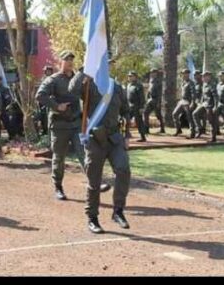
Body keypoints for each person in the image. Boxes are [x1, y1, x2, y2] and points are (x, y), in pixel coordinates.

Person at [35, 50, 110, 200]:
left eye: (71, 60)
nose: (69, 62)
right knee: (59, 157)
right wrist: (57, 106)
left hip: (76, 123)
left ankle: (95, 183)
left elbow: (88, 96)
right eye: (66, 59)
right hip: (59, 125)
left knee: (84, 154)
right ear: (60, 62)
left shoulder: (79, 79)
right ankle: (58, 187)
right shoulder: (53, 80)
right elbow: (40, 95)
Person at [68, 70, 132, 234]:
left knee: (123, 169)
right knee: (94, 180)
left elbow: (126, 110)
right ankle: (92, 218)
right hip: (95, 139)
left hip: (114, 138)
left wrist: (126, 135)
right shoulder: (88, 84)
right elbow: (72, 91)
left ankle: (118, 211)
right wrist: (84, 71)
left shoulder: (115, 86)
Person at [192, 71, 218, 142]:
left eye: (205, 76)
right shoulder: (204, 84)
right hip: (204, 104)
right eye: (203, 77)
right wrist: (200, 102)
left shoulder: (212, 85)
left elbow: (215, 97)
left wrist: (215, 106)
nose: (204, 78)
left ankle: (213, 137)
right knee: (195, 114)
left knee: (211, 121)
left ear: (209, 77)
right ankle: (200, 129)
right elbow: (203, 95)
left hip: (210, 105)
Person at [172, 69, 196, 138]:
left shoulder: (191, 83)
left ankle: (192, 132)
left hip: (188, 102)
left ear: (188, 74)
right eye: (183, 74)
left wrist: (192, 102)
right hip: (182, 101)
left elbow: (193, 94)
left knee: (189, 117)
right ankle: (178, 129)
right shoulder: (183, 82)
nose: (184, 75)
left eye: (186, 73)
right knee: (174, 114)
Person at [126, 71, 147, 142]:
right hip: (129, 106)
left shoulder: (139, 85)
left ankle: (143, 137)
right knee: (126, 120)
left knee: (139, 122)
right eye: (129, 76)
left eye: (131, 76)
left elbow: (142, 97)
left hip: (137, 106)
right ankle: (127, 134)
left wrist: (141, 107)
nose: (129, 77)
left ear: (135, 77)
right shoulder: (128, 85)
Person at [143, 68, 165, 134]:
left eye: (154, 73)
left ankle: (162, 128)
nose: (152, 74)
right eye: (151, 73)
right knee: (145, 112)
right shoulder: (151, 80)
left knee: (158, 115)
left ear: (156, 73)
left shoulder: (158, 81)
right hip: (150, 99)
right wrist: (147, 99)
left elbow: (159, 93)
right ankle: (146, 129)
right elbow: (149, 91)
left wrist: (158, 102)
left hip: (156, 100)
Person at [37, 65, 54, 136]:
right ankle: (44, 131)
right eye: (46, 71)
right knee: (43, 116)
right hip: (43, 102)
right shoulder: (43, 79)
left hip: (51, 101)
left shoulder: (54, 79)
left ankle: (49, 131)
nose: (47, 72)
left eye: (48, 71)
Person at [192, 71, 206, 135]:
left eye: (196, 75)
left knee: (202, 116)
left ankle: (202, 129)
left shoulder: (202, 84)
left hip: (202, 102)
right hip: (196, 101)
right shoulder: (195, 83)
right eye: (194, 75)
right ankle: (200, 129)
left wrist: (200, 102)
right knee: (197, 115)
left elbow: (203, 94)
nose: (195, 76)